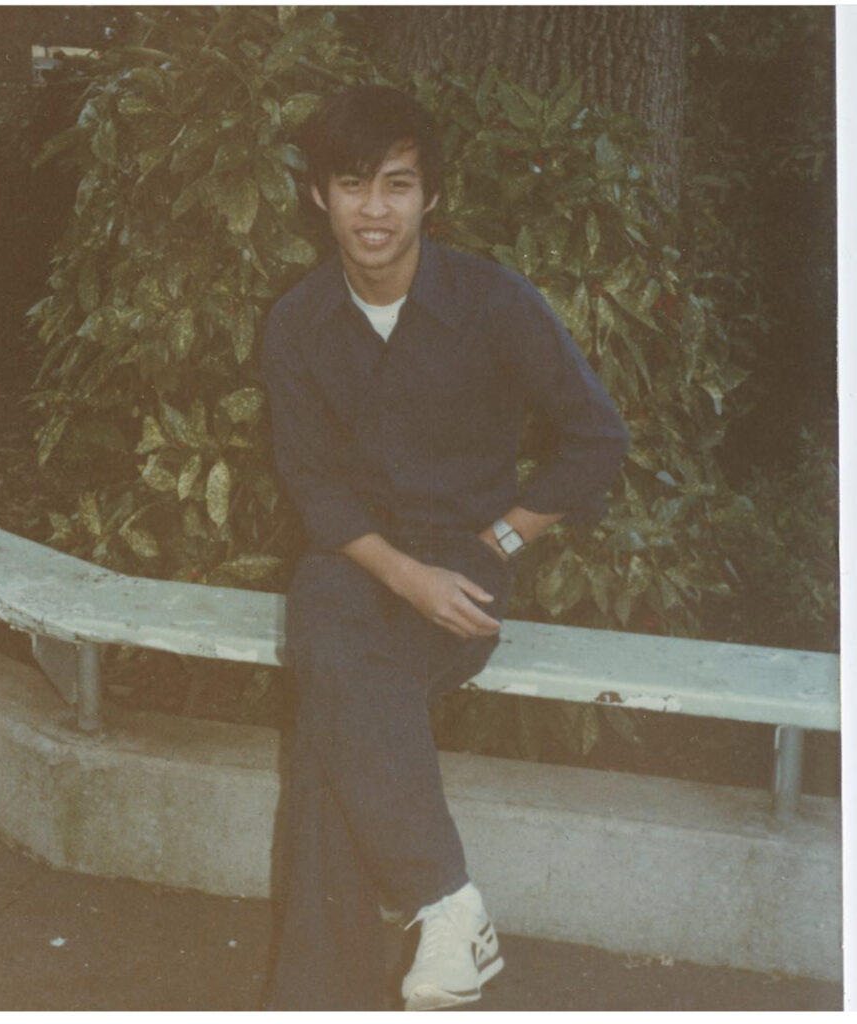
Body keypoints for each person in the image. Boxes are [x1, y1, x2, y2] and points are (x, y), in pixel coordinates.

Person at [259, 84, 629, 1011]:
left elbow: (597, 436)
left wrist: (501, 539)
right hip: (352, 562)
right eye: (353, 185)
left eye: (396, 185)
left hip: (466, 563)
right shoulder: (297, 322)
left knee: (327, 732)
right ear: (319, 197)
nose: (374, 210)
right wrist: (404, 576)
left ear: (432, 197)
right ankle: (447, 904)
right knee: (336, 656)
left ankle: (317, 995)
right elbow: (316, 490)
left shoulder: (492, 301)